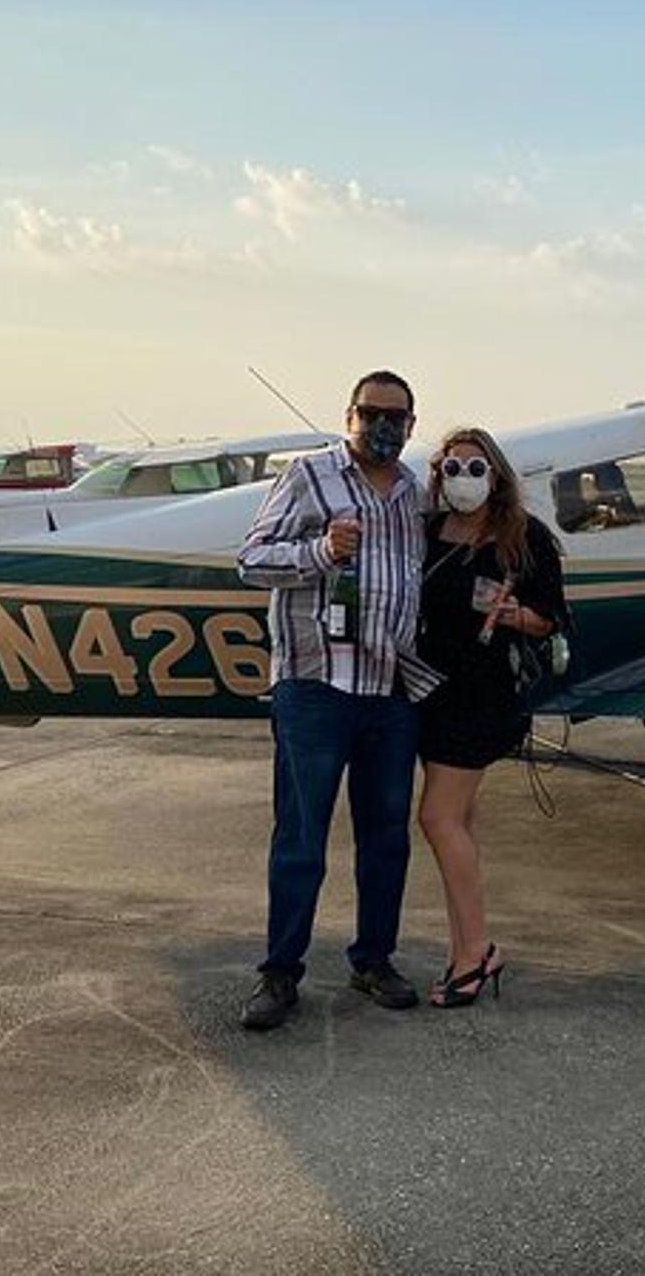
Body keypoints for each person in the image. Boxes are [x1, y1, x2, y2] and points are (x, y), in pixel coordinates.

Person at [235, 370, 438, 1032]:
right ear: (349, 414)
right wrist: (323, 551)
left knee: (386, 837)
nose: (384, 425)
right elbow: (251, 559)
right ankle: (279, 971)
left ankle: (373, 958)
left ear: (411, 424)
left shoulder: (414, 490)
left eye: (397, 416)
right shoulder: (309, 475)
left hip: (389, 688)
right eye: (371, 412)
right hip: (317, 685)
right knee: (300, 837)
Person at [415, 427, 567, 1007]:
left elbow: (550, 617)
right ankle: (467, 949)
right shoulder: (429, 531)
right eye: (453, 467)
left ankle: (476, 953)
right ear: (439, 474)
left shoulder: (523, 537)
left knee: (437, 818)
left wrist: (511, 615)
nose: (464, 478)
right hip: (429, 688)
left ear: (496, 476)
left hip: (483, 693)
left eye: (477, 468)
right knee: (458, 824)